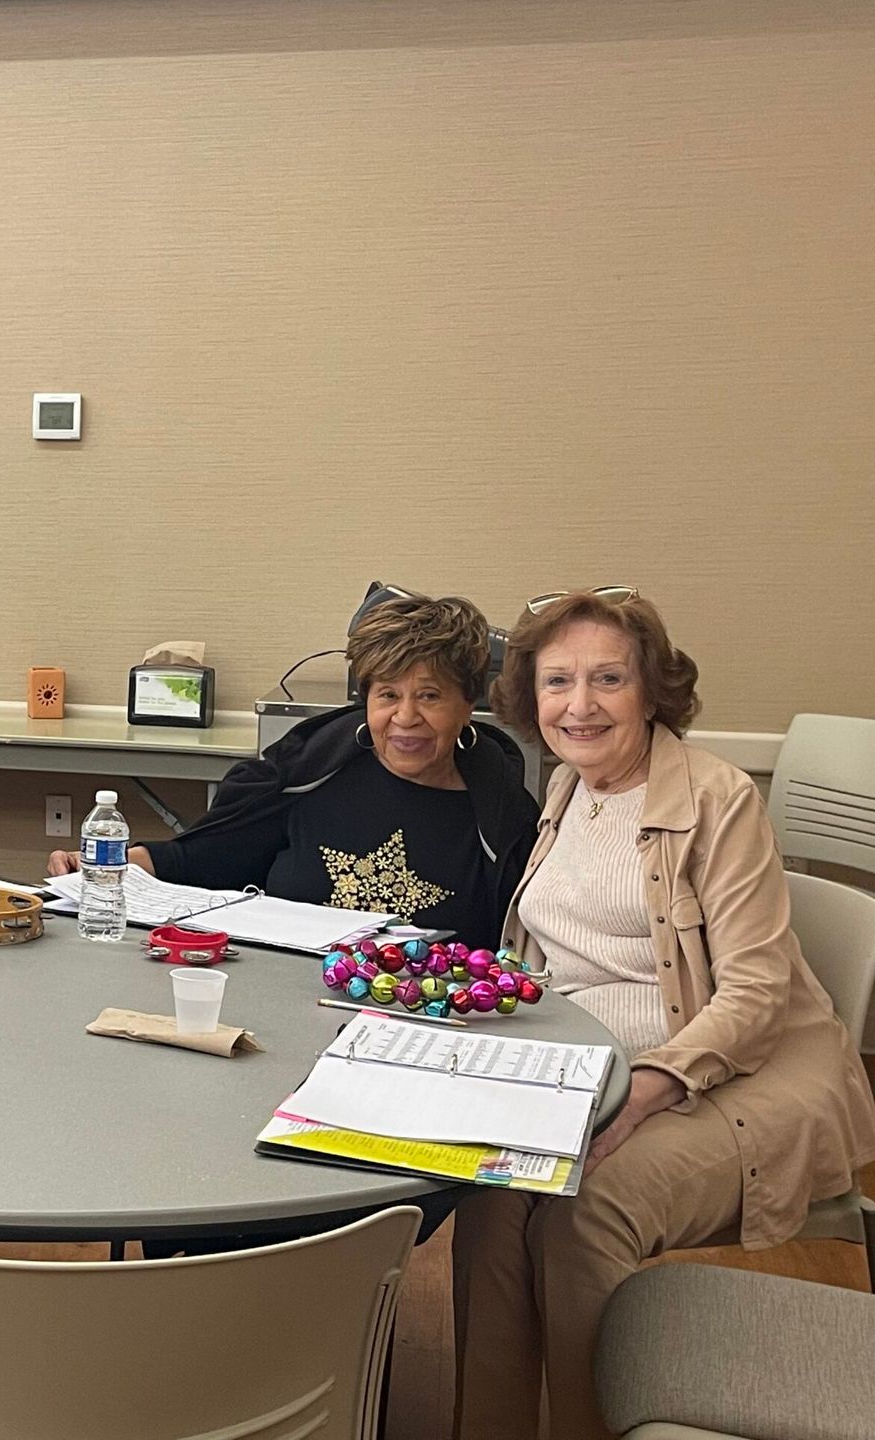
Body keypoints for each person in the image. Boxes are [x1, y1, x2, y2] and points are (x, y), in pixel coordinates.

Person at [451, 587, 875, 1440]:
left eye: (608, 678)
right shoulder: (568, 789)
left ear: (652, 691)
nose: (580, 705)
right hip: (590, 1070)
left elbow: (754, 996)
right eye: (557, 681)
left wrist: (645, 1092)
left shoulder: (719, 800)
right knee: (492, 1199)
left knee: (583, 1212)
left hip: (732, 1075)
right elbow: (555, 955)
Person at [51, 595, 540, 947]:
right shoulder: (312, 770)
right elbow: (209, 856)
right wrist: (109, 865)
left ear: (466, 705)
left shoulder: (500, 817)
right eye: (387, 694)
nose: (405, 717)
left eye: (429, 696)